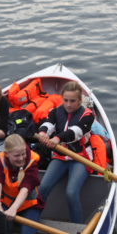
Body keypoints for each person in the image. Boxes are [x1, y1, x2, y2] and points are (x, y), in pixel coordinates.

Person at [37, 81, 94, 224]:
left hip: (80, 158)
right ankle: (32, 222)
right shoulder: (55, 111)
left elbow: (76, 132)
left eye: (73, 101)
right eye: (66, 100)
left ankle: (77, 229)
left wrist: (57, 138)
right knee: (42, 188)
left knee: (71, 193)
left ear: (80, 100)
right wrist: (43, 133)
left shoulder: (88, 115)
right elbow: (48, 124)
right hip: (60, 157)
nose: (68, 104)